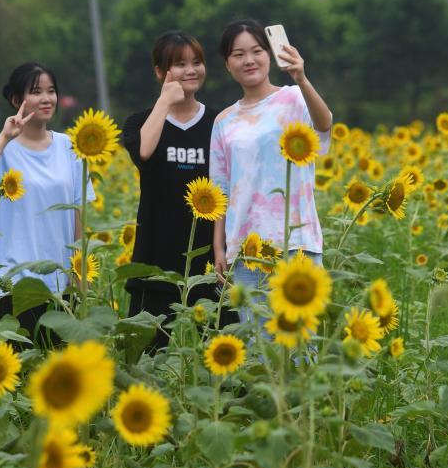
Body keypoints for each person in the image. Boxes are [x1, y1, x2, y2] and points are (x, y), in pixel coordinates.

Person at [209, 19, 332, 320]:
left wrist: (302, 78)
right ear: (227, 64)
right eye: (238, 54)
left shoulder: (292, 97)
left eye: (257, 51)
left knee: (302, 345)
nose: (249, 60)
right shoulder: (223, 121)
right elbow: (220, 190)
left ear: (269, 54)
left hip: (296, 240)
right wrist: (219, 248)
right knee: (256, 349)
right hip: (247, 249)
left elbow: (324, 124)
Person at [0, 61, 92, 342]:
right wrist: (4, 137)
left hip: (60, 282)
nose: (46, 99)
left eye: (51, 91)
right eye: (36, 91)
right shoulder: (3, 147)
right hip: (16, 282)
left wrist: (79, 272)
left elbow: (78, 212)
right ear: (16, 100)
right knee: (21, 371)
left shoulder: (70, 147)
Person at [122, 31, 233, 349]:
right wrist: (165, 102)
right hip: (155, 258)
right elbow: (143, 152)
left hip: (210, 259)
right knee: (147, 356)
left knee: (221, 354)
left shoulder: (220, 123)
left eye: (196, 62)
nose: (191, 70)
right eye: (180, 64)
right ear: (160, 71)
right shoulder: (139, 122)